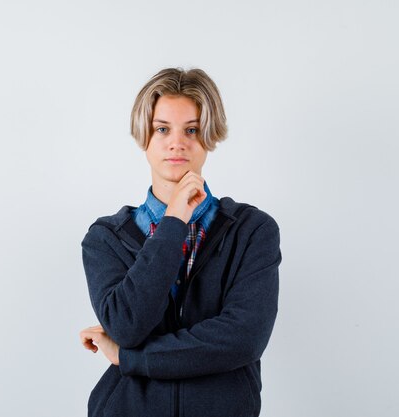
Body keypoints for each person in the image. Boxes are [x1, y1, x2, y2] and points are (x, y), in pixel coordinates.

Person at [79, 68, 282, 417]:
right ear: (144, 137)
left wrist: (129, 358)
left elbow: (242, 340)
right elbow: (127, 326)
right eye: (162, 129)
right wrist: (173, 223)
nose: (177, 142)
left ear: (210, 136)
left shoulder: (252, 230)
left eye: (191, 130)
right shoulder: (105, 238)